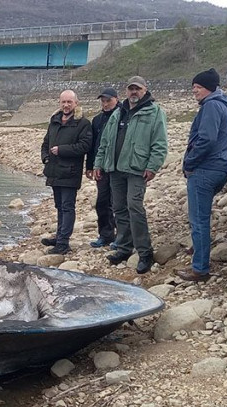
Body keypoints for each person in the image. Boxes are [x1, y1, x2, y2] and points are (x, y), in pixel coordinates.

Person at [90, 76, 168, 274]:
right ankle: (124, 247)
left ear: (145, 90)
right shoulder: (119, 113)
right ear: (126, 91)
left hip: (136, 169)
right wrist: (99, 163)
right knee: (119, 208)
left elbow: (160, 144)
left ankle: (145, 252)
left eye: (137, 89)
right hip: (115, 169)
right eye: (130, 89)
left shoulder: (154, 112)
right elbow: (105, 142)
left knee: (135, 207)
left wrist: (153, 167)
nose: (134, 92)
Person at [176, 68, 227, 282]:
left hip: (205, 170)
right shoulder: (222, 106)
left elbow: (207, 139)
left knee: (198, 220)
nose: (194, 92)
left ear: (208, 88)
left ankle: (200, 268)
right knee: (202, 218)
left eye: (197, 88)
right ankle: (199, 252)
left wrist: (189, 162)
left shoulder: (210, 106)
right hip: (219, 168)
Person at [39, 89, 93, 255]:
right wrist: (46, 158)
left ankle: (63, 243)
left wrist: (61, 150)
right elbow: (45, 143)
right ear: (59, 103)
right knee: (59, 206)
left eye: (69, 102)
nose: (66, 105)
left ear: (76, 103)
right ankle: (60, 236)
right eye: (63, 102)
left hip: (70, 172)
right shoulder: (54, 121)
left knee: (67, 207)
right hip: (54, 171)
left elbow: (85, 146)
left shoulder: (83, 123)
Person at [87, 87, 119, 249]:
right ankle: (105, 235)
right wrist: (90, 166)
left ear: (116, 99)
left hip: (117, 167)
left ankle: (120, 237)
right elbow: (93, 147)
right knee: (102, 202)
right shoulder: (97, 120)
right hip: (101, 167)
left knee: (118, 203)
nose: (105, 104)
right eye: (103, 101)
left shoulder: (122, 116)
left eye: (109, 101)